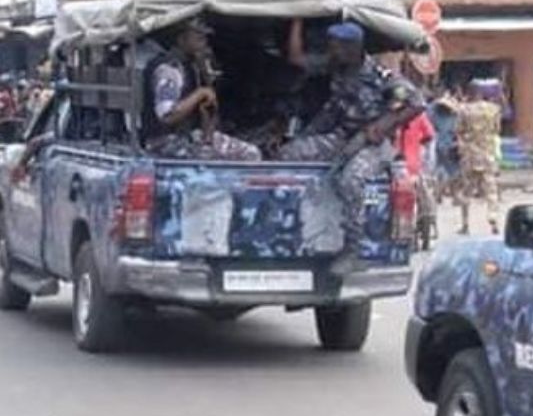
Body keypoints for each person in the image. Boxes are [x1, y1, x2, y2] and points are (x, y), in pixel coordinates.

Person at [279, 21, 423, 274]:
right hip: (343, 137)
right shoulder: (338, 68)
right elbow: (297, 59)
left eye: (336, 48)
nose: (331, 52)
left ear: (353, 48)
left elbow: (417, 103)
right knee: (289, 155)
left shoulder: (381, 75)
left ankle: (353, 249)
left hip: (374, 146)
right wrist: (298, 20)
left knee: (351, 180)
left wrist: (384, 123)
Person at [143, 18, 261, 162]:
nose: (204, 41)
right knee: (249, 154)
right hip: (164, 142)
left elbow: (208, 116)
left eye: (204, 37)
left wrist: (205, 74)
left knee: (250, 150)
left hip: (188, 136)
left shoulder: (191, 65)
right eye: (198, 36)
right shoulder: (170, 69)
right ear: (181, 39)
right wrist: (200, 93)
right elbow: (167, 116)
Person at [454, 78, 502, 236]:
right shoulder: (494, 109)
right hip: (488, 154)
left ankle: (465, 224)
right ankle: (493, 218)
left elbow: (458, 131)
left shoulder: (463, 110)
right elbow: (496, 130)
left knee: (466, 190)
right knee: (491, 190)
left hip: (469, 154)